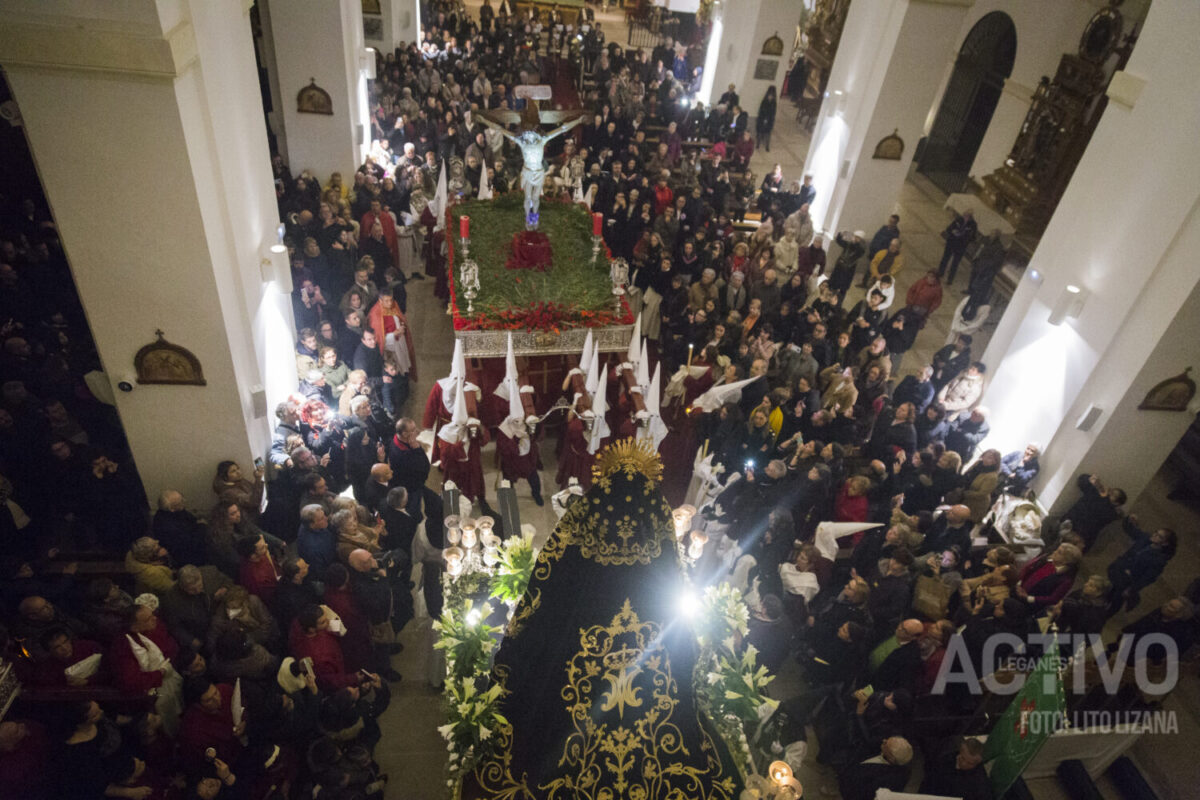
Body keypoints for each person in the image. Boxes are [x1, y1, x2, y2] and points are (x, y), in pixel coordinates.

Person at [1106, 515, 1176, 613]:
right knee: (1109, 591)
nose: (1154, 535)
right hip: (1120, 571)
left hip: (1129, 581)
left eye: (1159, 536)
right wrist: (1130, 519)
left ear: (1164, 543)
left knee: (1117, 600)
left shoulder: (1159, 560)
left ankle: (1105, 616)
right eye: (1156, 532)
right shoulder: (1145, 538)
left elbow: (1148, 578)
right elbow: (1130, 530)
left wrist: (1132, 589)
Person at [1061, 473, 1126, 550]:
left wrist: (1099, 488)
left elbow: (1102, 509)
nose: (1109, 493)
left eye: (1113, 494)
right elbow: (1082, 480)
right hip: (1069, 527)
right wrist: (1093, 480)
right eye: (1111, 491)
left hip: (1078, 536)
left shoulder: (1110, 513)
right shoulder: (1095, 494)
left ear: (1117, 503)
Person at [937, 210, 978, 284]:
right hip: (951, 242)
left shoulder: (973, 225)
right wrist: (953, 231)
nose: (965, 217)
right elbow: (949, 228)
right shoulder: (959, 219)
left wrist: (965, 237)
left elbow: (973, 238)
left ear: (970, 217)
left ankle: (950, 279)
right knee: (945, 258)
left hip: (961, 246)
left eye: (967, 216)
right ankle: (940, 272)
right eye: (964, 215)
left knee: (955, 263)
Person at [755, 86, 777, 152]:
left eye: (771, 96)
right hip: (762, 118)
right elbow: (761, 110)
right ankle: (758, 144)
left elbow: (773, 112)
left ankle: (767, 146)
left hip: (769, 119)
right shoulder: (764, 101)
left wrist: (768, 119)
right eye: (769, 96)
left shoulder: (774, 103)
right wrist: (763, 118)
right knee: (759, 132)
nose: (770, 97)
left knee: (768, 133)